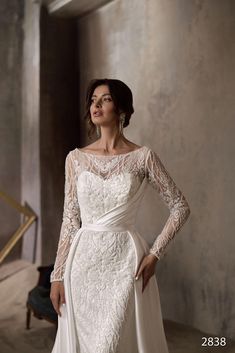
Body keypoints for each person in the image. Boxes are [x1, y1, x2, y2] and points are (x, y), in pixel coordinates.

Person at [50, 78, 191, 353]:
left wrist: (154, 254)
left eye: (105, 99)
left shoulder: (142, 158)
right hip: (82, 266)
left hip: (124, 263)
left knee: (112, 345)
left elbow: (180, 206)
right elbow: (70, 220)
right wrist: (57, 276)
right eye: (93, 100)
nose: (96, 105)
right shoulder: (75, 159)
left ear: (122, 108)